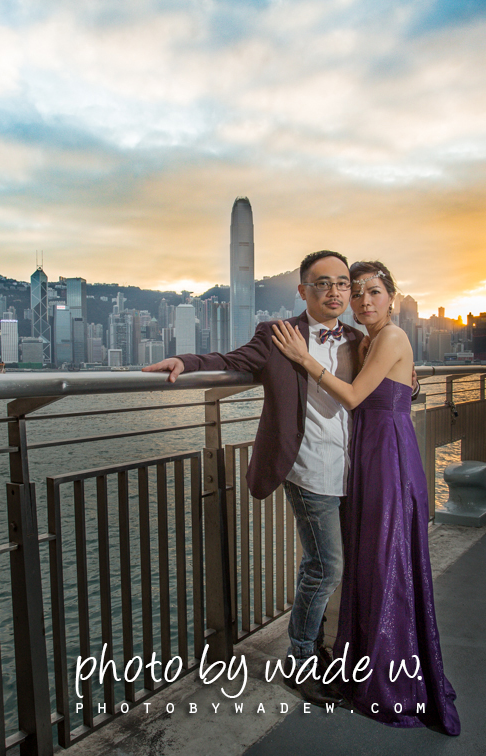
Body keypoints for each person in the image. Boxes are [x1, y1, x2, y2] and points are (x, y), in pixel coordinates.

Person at [142, 250, 360, 705]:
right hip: (308, 467)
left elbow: (379, 387)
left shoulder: (358, 339)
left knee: (328, 565)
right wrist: (185, 361)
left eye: (342, 282)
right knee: (326, 566)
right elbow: (231, 359)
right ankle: (300, 661)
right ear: (303, 290)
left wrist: (411, 384)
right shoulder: (279, 334)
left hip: (355, 468)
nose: (334, 291)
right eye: (322, 283)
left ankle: (322, 644)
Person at [269, 260, 460, 733]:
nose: (364, 300)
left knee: (387, 558)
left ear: (391, 296)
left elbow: (355, 397)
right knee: (369, 558)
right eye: (356, 293)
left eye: (374, 291)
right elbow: (395, 386)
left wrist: (304, 360)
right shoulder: (365, 341)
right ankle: (363, 659)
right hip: (366, 455)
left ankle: (388, 672)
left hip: (389, 458)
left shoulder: (390, 336)